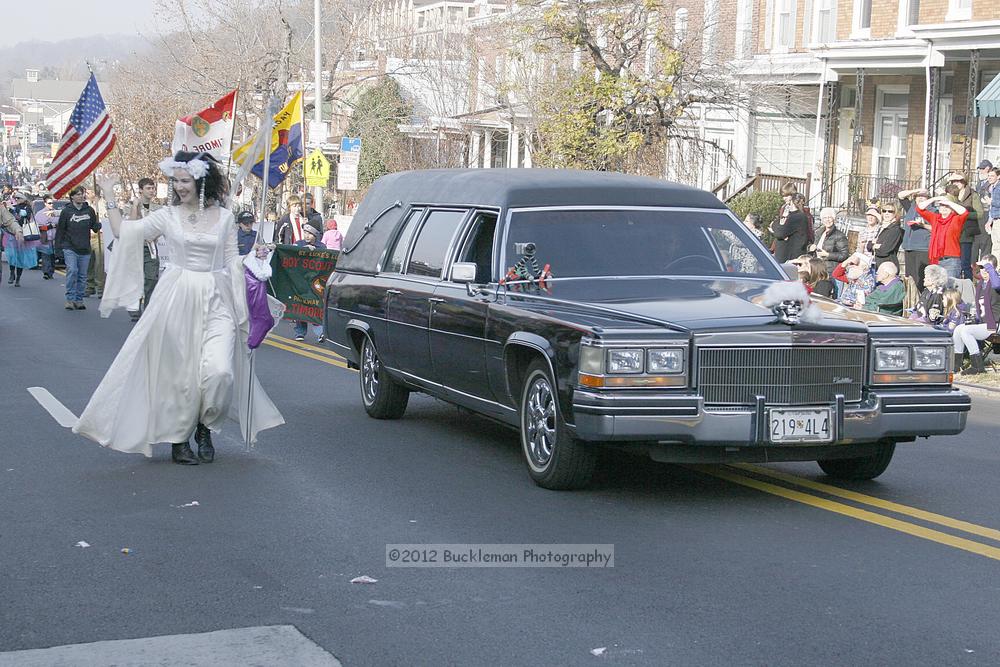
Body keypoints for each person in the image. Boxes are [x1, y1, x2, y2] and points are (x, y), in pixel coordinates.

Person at [74, 151, 284, 465]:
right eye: (175, 180)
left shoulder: (226, 217)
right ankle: (178, 438)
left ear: (201, 181)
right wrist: (109, 196)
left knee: (220, 372)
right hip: (176, 296)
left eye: (184, 180)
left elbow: (231, 261)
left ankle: (205, 425)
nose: (179, 186)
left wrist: (256, 259)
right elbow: (123, 232)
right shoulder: (167, 216)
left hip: (218, 297)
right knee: (180, 376)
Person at [55, 186, 102, 310]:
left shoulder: (90, 210)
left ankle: (79, 299)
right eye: (78, 194)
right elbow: (60, 230)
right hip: (69, 246)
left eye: (82, 194)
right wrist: (58, 249)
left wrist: (97, 225)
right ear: (72, 197)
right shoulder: (67, 211)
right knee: (72, 271)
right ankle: (70, 299)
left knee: (82, 275)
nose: (81, 196)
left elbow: (94, 227)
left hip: (84, 247)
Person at [952, 254, 1000, 375]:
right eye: (982, 268)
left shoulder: (997, 281)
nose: (983, 270)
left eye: (986, 268)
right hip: (985, 324)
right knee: (958, 329)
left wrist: (989, 267)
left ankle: (977, 366)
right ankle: (957, 364)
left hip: (996, 324)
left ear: (992, 268)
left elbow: (996, 285)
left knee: (966, 331)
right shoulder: (981, 284)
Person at [126, 178, 163, 323]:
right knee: (136, 279)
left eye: (153, 188)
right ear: (140, 190)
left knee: (151, 278)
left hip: (150, 247)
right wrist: (135, 207)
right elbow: (132, 224)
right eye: (148, 188)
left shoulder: (158, 208)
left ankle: (148, 309)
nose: (152, 191)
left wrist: (153, 235)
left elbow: (161, 226)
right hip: (136, 246)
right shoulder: (131, 206)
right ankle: (134, 309)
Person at [916, 193, 967, 279]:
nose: (944, 208)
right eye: (941, 206)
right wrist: (935, 198)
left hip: (951, 260)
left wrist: (949, 202)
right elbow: (919, 208)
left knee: (950, 289)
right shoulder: (935, 218)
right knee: (937, 289)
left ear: (952, 209)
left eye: (947, 206)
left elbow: (964, 212)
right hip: (936, 259)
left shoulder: (956, 219)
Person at [292, 223, 326, 342]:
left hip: (315, 281)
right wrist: (303, 250)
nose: (306, 235)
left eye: (310, 233)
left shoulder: (322, 246)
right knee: (301, 305)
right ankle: (300, 331)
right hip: (301, 280)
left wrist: (315, 251)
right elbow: (291, 253)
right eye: (305, 232)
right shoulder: (299, 243)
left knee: (316, 306)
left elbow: (325, 261)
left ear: (316, 234)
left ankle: (320, 332)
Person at [898, 187, 932, 292]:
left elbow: (936, 229)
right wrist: (915, 191)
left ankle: (921, 301)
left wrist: (923, 225)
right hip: (909, 247)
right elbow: (901, 195)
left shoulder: (932, 211)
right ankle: (911, 301)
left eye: (923, 196)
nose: (921, 198)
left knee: (920, 278)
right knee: (910, 278)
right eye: (918, 196)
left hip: (923, 248)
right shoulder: (911, 208)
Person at [5, 190, 38, 286]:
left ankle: (18, 279)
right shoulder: (13, 207)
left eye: (18, 198)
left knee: (20, 257)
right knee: (11, 255)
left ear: (23, 199)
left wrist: (14, 209)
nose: (17, 200)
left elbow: (24, 214)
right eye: (16, 198)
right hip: (12, 234)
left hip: (23, 234)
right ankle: (12, 274)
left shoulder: (28, 208)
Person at [770, 191, 809, 263]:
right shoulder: (794, 216)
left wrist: (776, 228)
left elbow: (779, 233)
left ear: (792, 202)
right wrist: (779, 226)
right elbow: (775, 224)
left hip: (789, 257)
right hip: (787, 256)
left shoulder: (796, 217)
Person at [809, 208, 849, 275]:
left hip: (831, 271)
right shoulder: (819, 233)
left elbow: (844, 255)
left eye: (830, 217)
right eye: (825, 218)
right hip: (818, 269)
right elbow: (814, 246)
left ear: (834, 219)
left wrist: (827, 255)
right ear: (822, 220)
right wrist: (810, 247)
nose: (827, 220)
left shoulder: (839, 235)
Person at [871, 202, 904, 270]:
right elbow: (869, 246)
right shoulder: (882, 227)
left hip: (888, 266)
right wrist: (876, 246)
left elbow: (884, 250)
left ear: (895, 214)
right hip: (877, 264)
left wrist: (876, 246)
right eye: (884, 211)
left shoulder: (895, 230)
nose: (886, 213)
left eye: (890, 211)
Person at [34, 196, 60, 279]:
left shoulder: (56, 213)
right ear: (45, 203)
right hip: (45, 238)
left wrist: (55, 225)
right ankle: (46, 272)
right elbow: (37, 227)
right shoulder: (39, 214)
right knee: (45, 256)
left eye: (52, 203)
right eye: (49, 203)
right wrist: (49, 226)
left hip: (55, 238)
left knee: (53, 256)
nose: (51, 204)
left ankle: (51, 272)